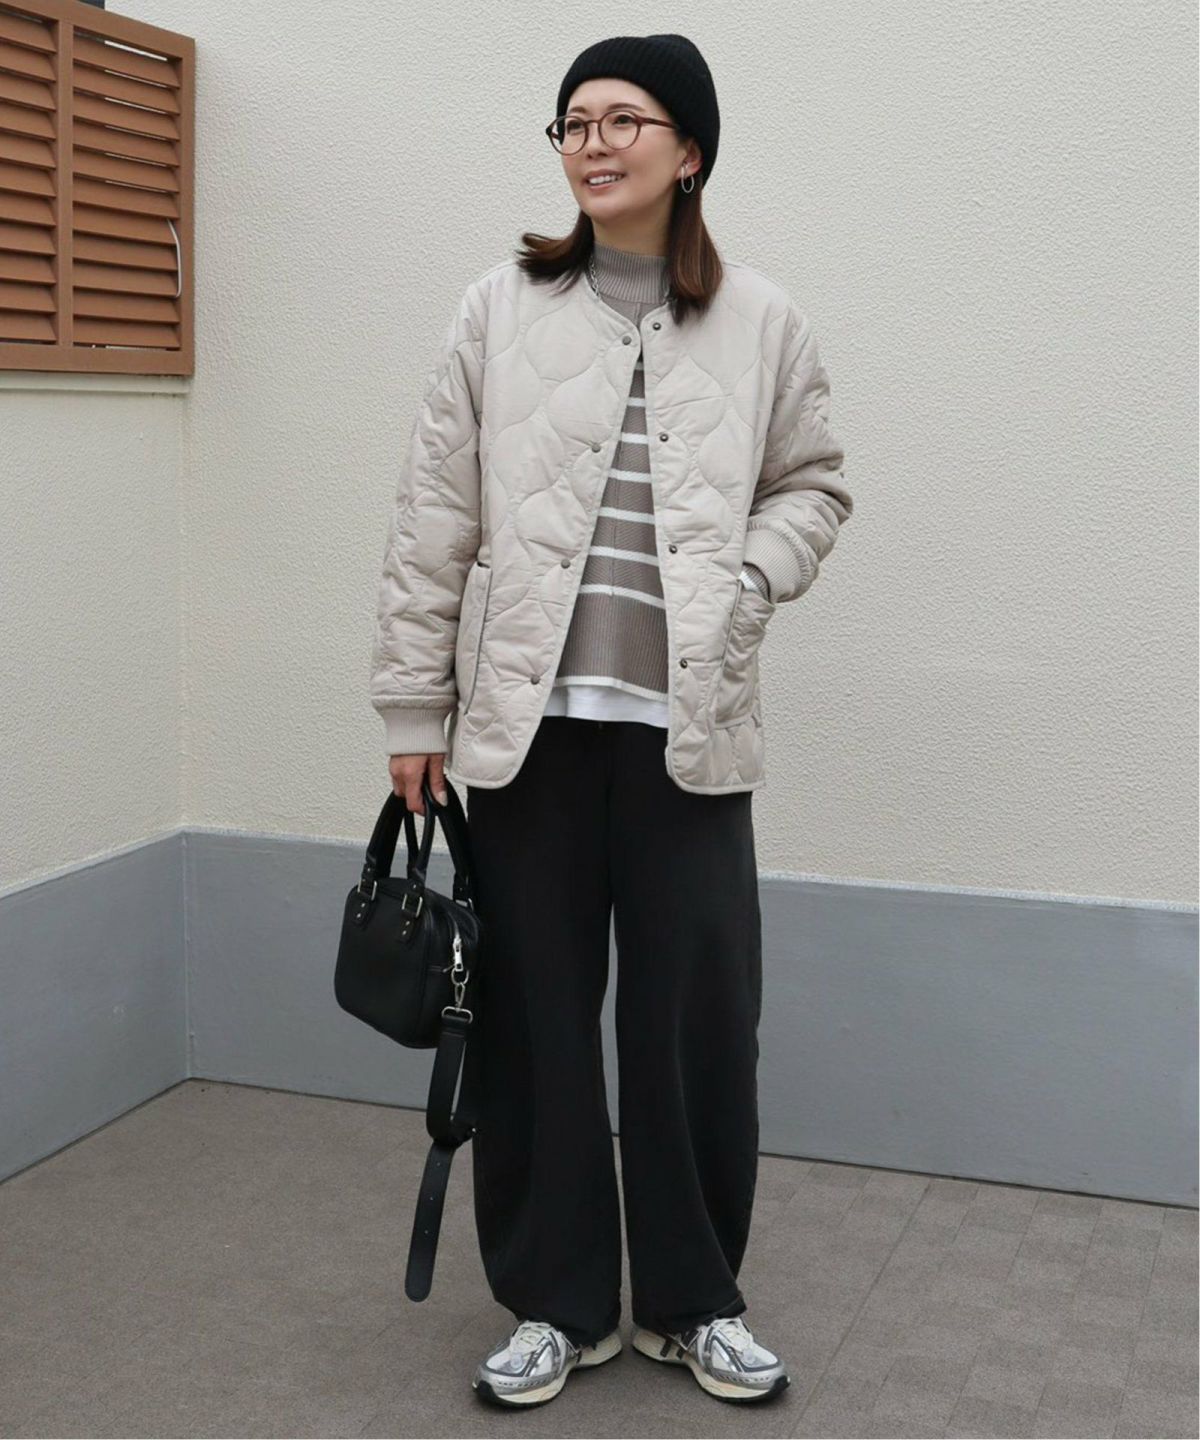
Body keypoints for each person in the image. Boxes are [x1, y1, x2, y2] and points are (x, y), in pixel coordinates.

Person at [370, 33, 852, 1409]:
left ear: (688, 150)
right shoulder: (499, 308)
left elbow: (814, 484)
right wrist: (413, 703)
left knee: (698, 1025)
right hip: (528, 735)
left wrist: (750, 580)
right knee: (530, 1021)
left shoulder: (761, 319)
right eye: (573, 121)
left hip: (689, 734)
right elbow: (432, 516)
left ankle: (694, 1302)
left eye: (624, 119)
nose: (593, 142)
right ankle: (559, 1302)